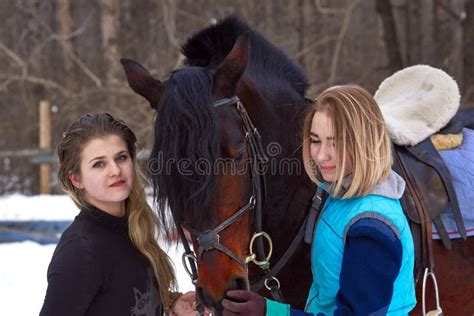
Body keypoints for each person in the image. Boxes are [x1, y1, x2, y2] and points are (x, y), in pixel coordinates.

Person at [221, 85, 416, 315]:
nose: (322, 155)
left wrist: (269, 312)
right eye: (315, 140)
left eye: (336, 142)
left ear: (365, 142)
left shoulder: (372, 226)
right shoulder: (341, 194)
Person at [40, 113, 196, 316]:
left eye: (121, 157)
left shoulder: (133, 229)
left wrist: (168, 303)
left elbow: (118, 299)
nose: (115, 170)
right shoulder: (81, 250)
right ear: (76, 179)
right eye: (99, 164)